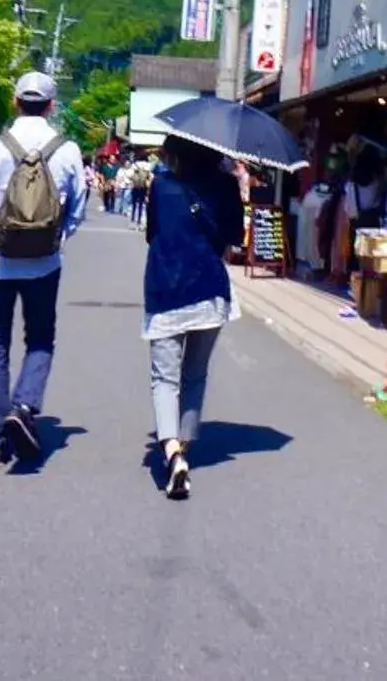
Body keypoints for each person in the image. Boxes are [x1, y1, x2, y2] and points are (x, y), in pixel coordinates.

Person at [0, 70, 87, 468]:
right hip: (45, 263)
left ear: (16, 102)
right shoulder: (67, 149)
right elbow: (77, 209)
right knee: (40, 339)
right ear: (51, 106)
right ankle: (25, 405)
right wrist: (58, 237)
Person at [142, 134, 244, 499]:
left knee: (164, 378)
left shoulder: (162, 186)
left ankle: (170, 451)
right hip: (210, 289)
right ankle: (184, 446)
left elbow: (152, 234)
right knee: (195, 374)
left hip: (166, 288)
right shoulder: (227, 185)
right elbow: (235, 236)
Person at [126, 157, 151, 229]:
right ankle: (139, 220)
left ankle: (133, 219)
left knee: (134, 204)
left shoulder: (135, 165)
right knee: (141, 205)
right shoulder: (146, 167)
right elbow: (148, 178)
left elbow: (130, 176)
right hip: (143, 188)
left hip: (135, 187)